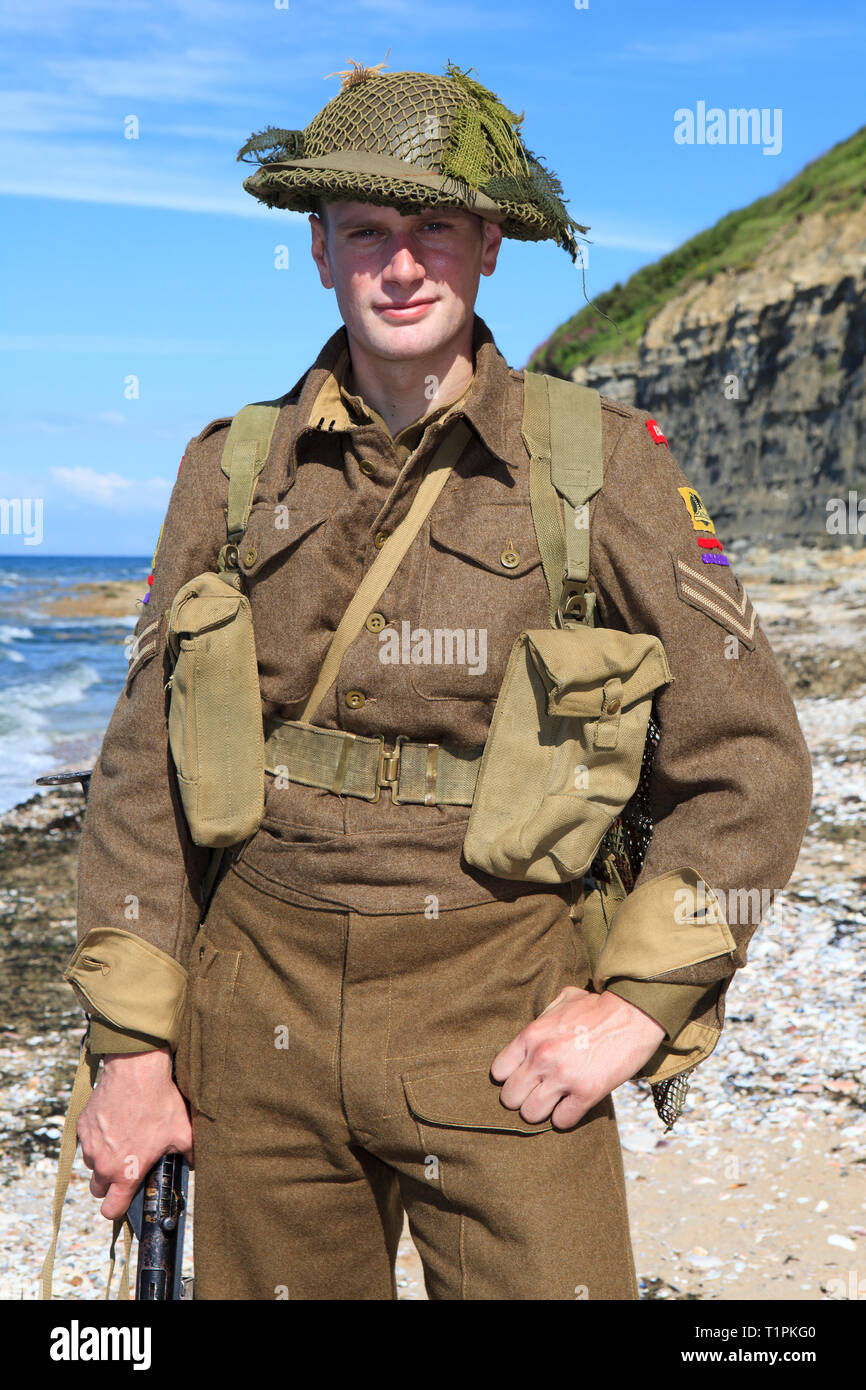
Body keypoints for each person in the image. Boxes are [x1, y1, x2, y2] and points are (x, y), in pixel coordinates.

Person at [63, 58, 812, 1300]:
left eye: (434, 231)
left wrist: (634, 1002)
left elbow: (746, 764)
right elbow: (140, 775)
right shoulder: (230, 471)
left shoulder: (601, 465)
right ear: (316, 248)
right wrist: (133, 1047)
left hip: (502, 1010)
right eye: (366, 232)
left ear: (490, 248)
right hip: (257, 1024)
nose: (399, 265)